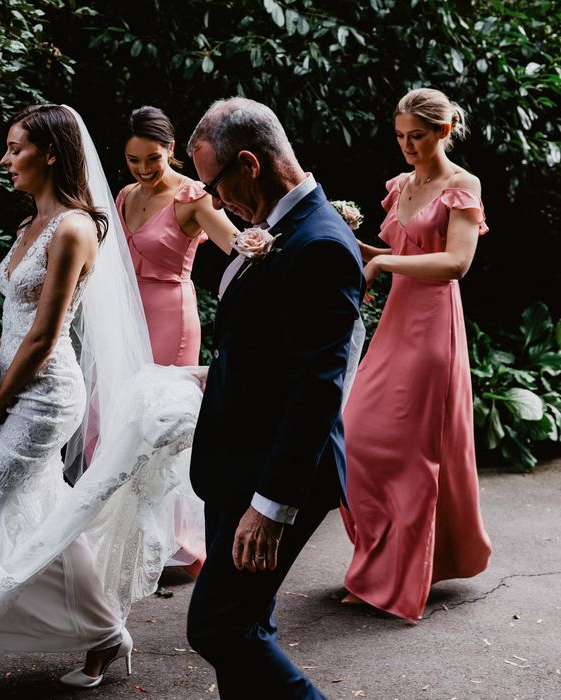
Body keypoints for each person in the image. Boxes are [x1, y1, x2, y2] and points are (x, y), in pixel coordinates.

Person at [0, 104, 203, 699]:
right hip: (24, 381)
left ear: (48, 153)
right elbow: (23, 322)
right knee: (47, 522)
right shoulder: (30, 226)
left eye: (15, 148)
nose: (5, 159)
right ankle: (104, 633)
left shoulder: (72, 226)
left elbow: (47, 334)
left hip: (44, 397)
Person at [185, 97, 365, 699]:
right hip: (237, 457)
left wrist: (270, 506)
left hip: (274, 474)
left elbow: (318, 388)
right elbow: (271, 347)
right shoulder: (280, 227)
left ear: (249, 164)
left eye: (215, 184)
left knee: (217, 625)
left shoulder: (320, 244)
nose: (215, 202)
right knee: (246, 622)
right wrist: (219, 375)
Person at [339, 87, 492, 622]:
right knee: (353, 434)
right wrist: (358, 251)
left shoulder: (462, 187)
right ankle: (380, 564)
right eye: (401, 136)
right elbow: (403, 253)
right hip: (396, 326)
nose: (407, 146)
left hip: (432, 332)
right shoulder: (401, 185)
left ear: (444, 132)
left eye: (418, 137)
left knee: (409, 455)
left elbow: (454, 264)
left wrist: (382, 267)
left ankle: (394, 580)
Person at [117, 105, 236, 366]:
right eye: (133, 160)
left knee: (159, 400)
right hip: (123, 318)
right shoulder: (125, 196)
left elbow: (241, 252)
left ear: (170, 149)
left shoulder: (193, 197)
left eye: (152, 158)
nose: (143, 169)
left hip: (169, 320)